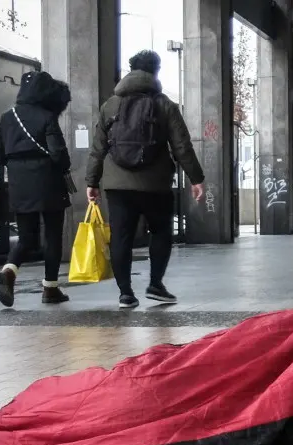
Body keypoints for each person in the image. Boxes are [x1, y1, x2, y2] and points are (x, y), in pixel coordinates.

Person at [86, 50, 205, 309]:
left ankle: (125, 294)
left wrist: (91, 182)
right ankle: (155, 284)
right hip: (156, 184)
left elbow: (98, 148)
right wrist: (196, 178)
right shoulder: (165, 105)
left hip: (118, 185)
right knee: (161, 232)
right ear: (155, 71)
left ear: (130, 70)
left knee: (121, 237)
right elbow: (182, 146)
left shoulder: (110, 105)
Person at [0, 71, 73, 308]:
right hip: (48, 182)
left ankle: (9, 271)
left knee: (26, 237)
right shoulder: (47, 116)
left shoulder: (7, 117)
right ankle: (50, 288)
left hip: (19, 183)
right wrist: (64, 165)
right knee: (53, 236)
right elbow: (58, 153)